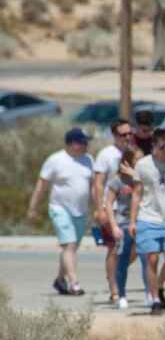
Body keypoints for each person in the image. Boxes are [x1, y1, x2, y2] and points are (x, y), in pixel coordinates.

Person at [29, 127, 95, 297]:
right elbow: (42, 184)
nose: (86, 146)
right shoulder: (56, 160)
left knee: (70, 248)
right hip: (60, 209)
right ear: (73, 144)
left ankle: (60, 279)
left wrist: (99, 208)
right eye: (82, 142)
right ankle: (75, 284)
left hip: (81, 211)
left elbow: (94, 187)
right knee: (70, 245)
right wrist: (33, 208)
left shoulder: (88, 160)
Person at [90, 117, 139, 308]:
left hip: (131, 210)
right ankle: (115, 291)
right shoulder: (106, 155)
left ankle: (118, 273)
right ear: (114, 135)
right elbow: (99, 183)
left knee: (134, 249)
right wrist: (100, 209)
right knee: (112, 249)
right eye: (123, 134)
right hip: (112, 210)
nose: (127, 137)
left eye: (129, 133)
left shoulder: (134, 153)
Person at [130, 132, 165, 313]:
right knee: (151, 258)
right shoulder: (143, 165)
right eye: (162, 147)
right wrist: (133, 221)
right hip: (147, 217)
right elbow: (136, 193)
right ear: (154, 145)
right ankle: (155, 299)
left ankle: (159, 284)